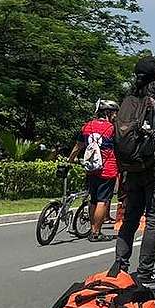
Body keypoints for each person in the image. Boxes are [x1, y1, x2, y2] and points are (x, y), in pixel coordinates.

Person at [114, 55, 155, 283]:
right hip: (154, 162)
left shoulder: (129, 99)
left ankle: (119, 266)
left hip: (131, 165)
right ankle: (146, 271)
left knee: (130, 217)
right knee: (154, 218)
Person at [67, 99, 119, 242]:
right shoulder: (112, 128)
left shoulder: (87, 126)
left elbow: (77, 147)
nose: (115, 116)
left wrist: (69, 162)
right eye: (114, 113)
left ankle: (92, 228)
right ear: (108, 113)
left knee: (93, 199)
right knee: (103, 200)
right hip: (107, 169)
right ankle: (96, 232)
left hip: (91, 169)